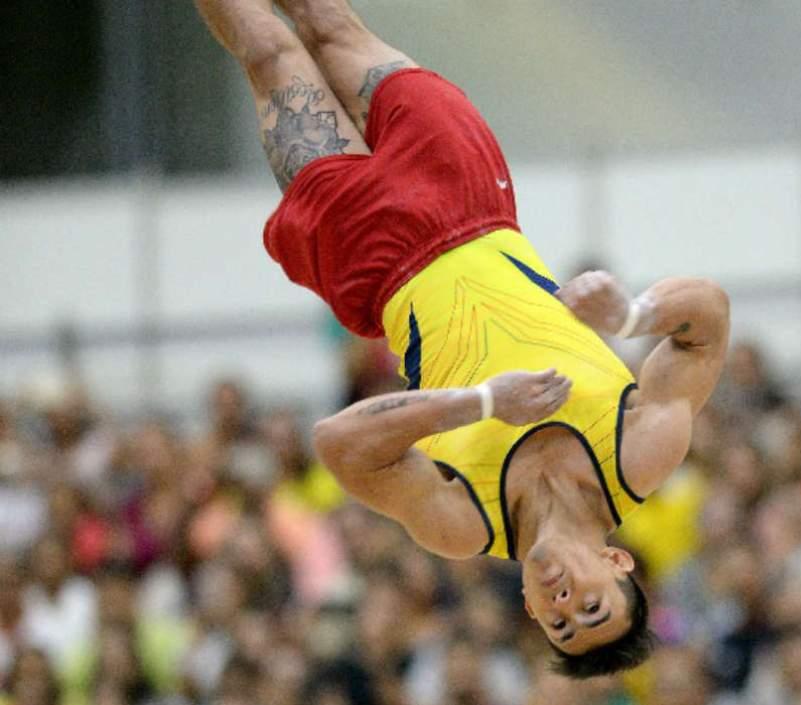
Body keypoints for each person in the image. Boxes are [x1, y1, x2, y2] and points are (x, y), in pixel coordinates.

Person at [194, 0, 730, 678]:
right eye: (592, 607)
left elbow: (338, 444)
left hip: (371, 255)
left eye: (559, 623)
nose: (566, 603)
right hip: (470, 196)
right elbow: (707, 322)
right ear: (618, 562)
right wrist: (630, 314)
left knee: (270, 52)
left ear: (532, 610)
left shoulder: (463, 523)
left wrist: (479, 402)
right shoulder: (639, 454)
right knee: (330, 25)